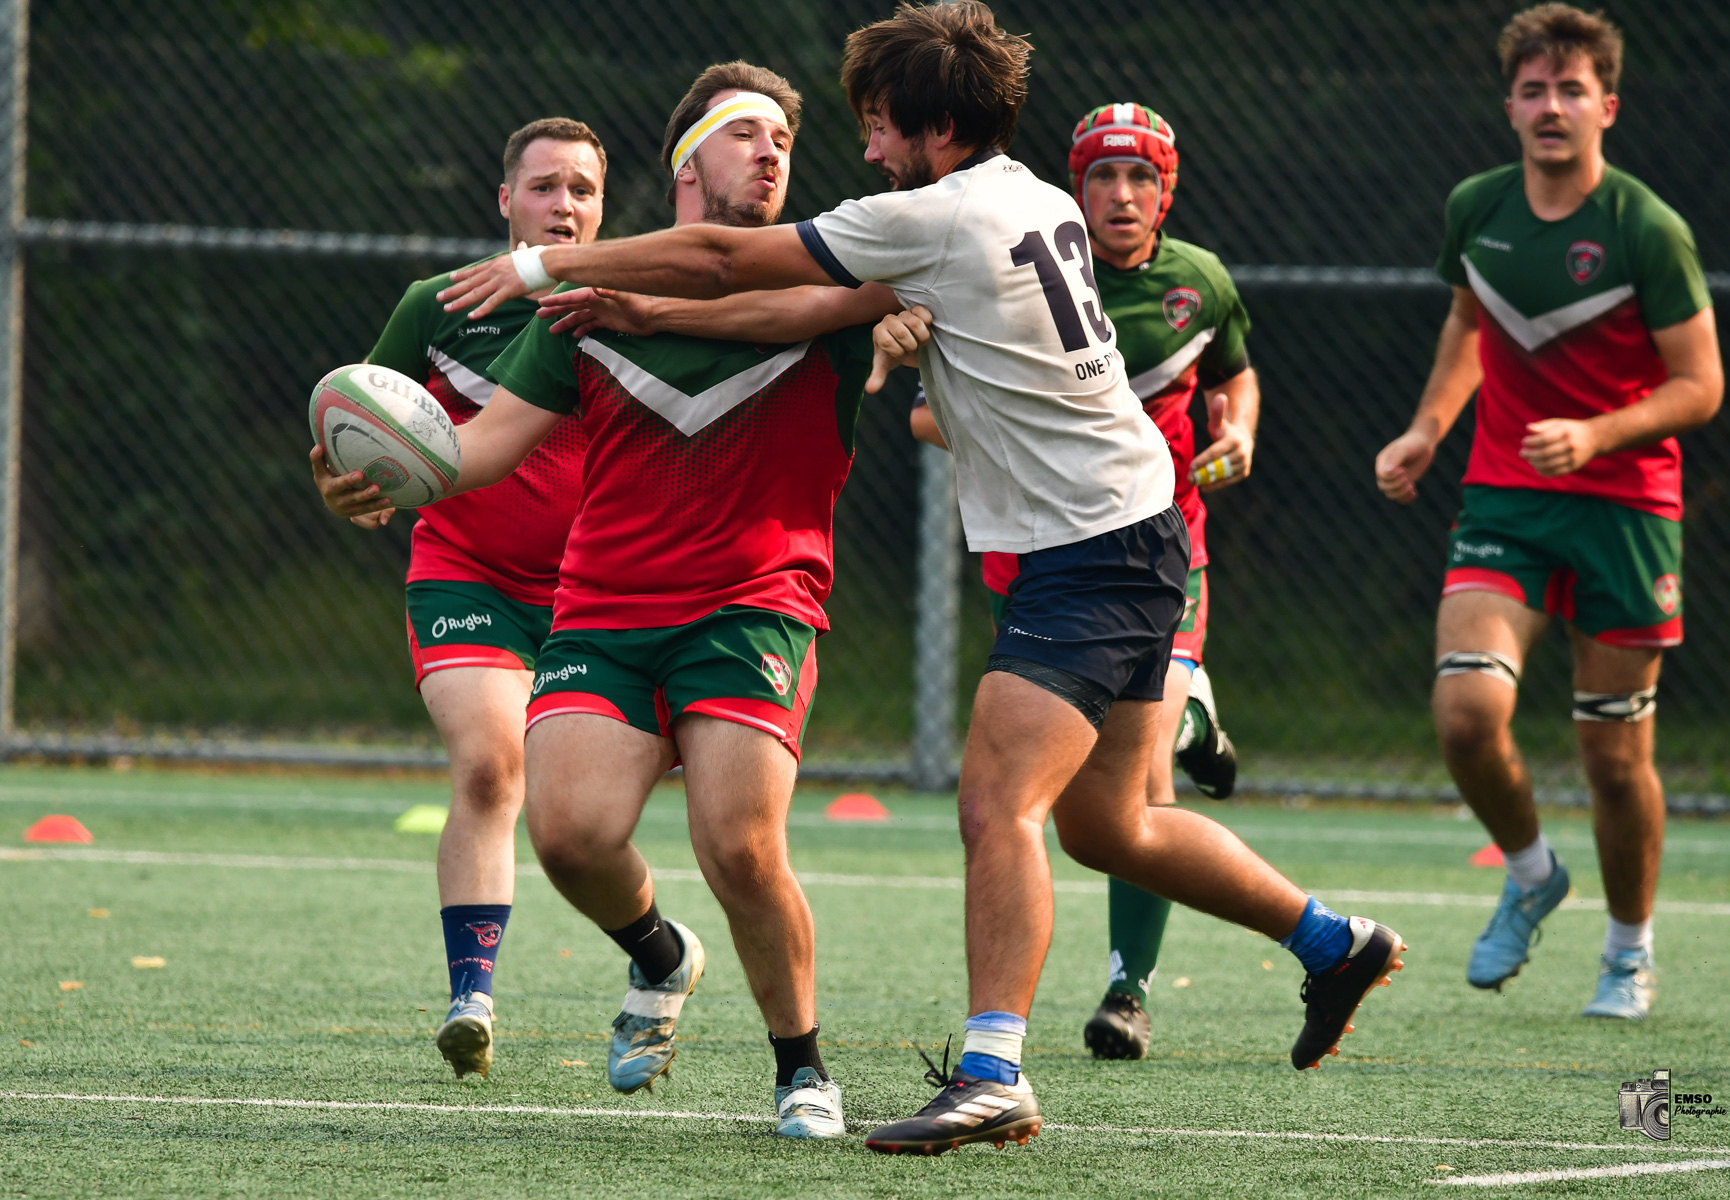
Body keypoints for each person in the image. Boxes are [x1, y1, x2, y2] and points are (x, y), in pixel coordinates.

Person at [437, 2, 1404, 1157]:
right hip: (1140, 528)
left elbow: (724, 255)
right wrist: (641, 309)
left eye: (883, 127)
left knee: (1001, 805)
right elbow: (805, 302)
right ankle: (1331, 941)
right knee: (1117, 828)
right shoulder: (1033, 195)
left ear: (936, 127)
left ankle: (993, 1074)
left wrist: (543, 259)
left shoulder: (938, 216)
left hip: (1087, 552)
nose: (869, 150)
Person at [323, 62, 899, 1138]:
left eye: (784, 136)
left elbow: (840, 300)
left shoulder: (831, 286)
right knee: (570, 835)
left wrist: (627, 294)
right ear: (688, 163)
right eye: (745, 132)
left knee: (738, 843)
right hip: (606, 612)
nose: (773, 151)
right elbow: (482, 448)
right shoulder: (583, 313)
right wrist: (382, 468)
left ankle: (801, 1067)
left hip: (751, 603)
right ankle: (661, 954)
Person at [1374, 4, 1722, 1020]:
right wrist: (1427, 429)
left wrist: (1598, 432)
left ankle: (1628, 950)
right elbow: (1468, 325)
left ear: (1607, 106)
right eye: (1534, 89)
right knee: (1467, 714)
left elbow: (1700, 385)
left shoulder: (1645, 227)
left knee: (1615, 760)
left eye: (1572, 90)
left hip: (1625, 510)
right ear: (1510, 105)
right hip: (1508, 500)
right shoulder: (1477, 208)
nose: (1552, 107)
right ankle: (1530, 874)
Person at [910, 100, 1259, 1062]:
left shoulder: (1200, 285)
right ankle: (1319, 929)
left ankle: (1126, 990)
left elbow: (1237, 379)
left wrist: (1239, 436)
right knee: (1081, 814)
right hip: (1032, 556)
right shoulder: (1010, 261)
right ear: (1073, 185)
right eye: (1101, 175)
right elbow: (925, 417)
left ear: (1167, 190)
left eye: (1140, 176)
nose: (1120, 194)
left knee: (1121, 788)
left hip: (1152, 548)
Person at [309, 117, 604, 1080]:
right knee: (488, 766)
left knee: (587, 817)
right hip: (465, 572)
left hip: (599, 593)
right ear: (506, 201)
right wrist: (341, 483)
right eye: (546, 186)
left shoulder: (632, 303)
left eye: (585, 190)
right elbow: (359, 424)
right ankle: (471, 997)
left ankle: (653, 951)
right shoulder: (436, 305)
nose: (565, 205)